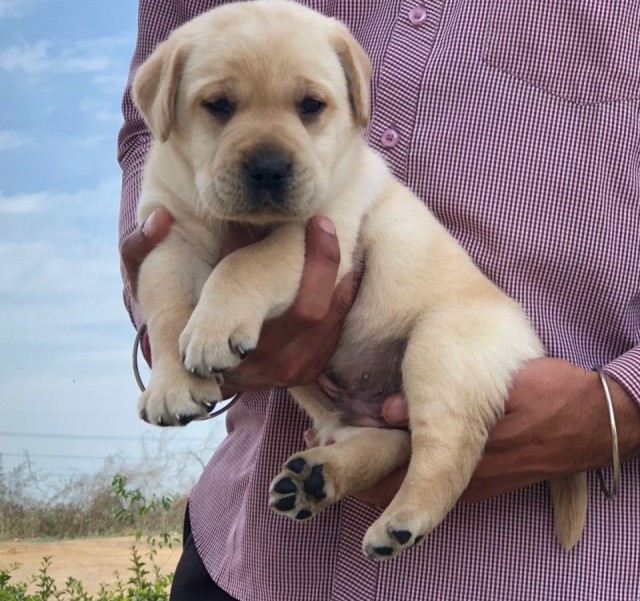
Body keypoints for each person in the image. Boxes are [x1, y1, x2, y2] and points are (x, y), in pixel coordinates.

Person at [118, 2, 640, 599]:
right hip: (251, 554)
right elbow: (145, 146)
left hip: (537, 559)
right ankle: (368, 448)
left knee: (442, 359)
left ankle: (424, 488)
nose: (266, 155)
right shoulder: (189, 70)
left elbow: (314, 248)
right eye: (220, 105)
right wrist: (173, 340)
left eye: (309, 106)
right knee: (363, 415)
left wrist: (624, 400)